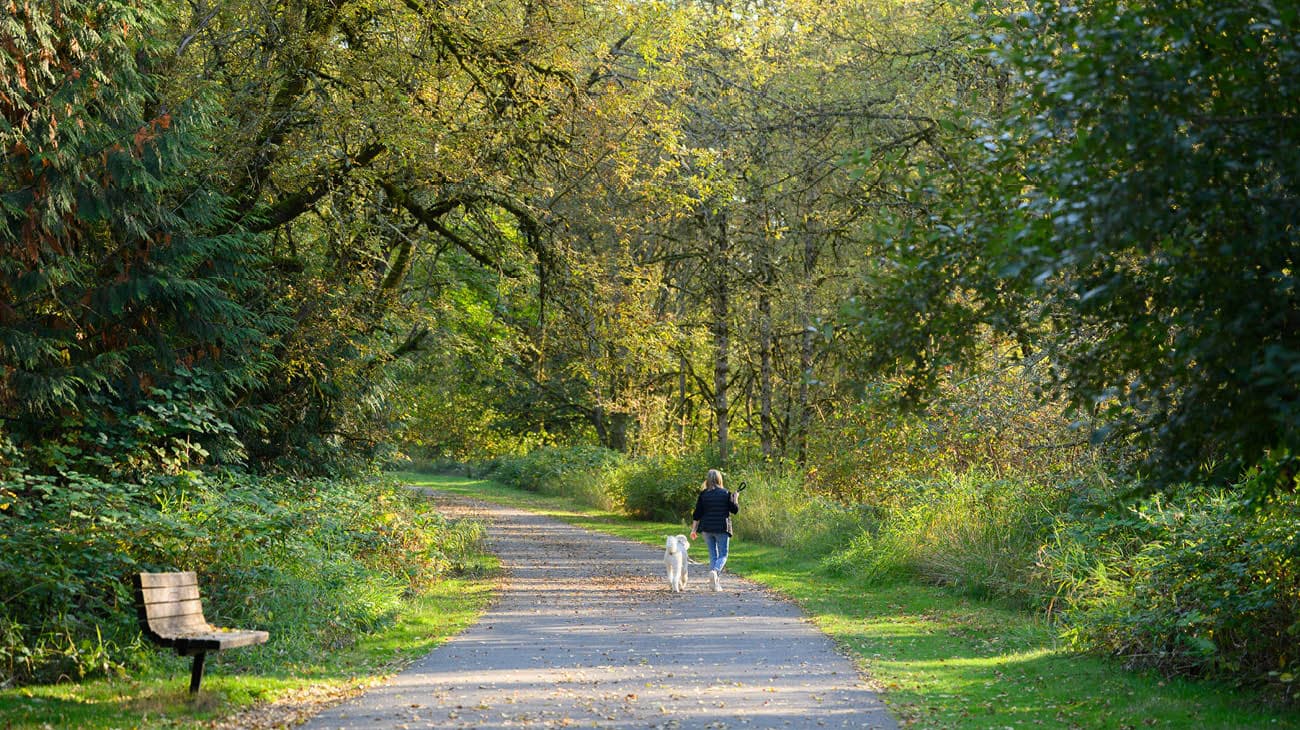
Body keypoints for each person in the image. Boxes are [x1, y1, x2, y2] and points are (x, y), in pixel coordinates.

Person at [689, 468, 739, 592]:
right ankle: (715, 572)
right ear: (719, 479)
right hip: (721, 527)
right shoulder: (726, 493)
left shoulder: (703, 494)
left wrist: (694, 530)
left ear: (708, 480)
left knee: (713, 556)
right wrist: (735, 498)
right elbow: (734, 510)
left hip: (706, 528)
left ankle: (714, 584)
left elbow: (697, 514)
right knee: (723, 555)